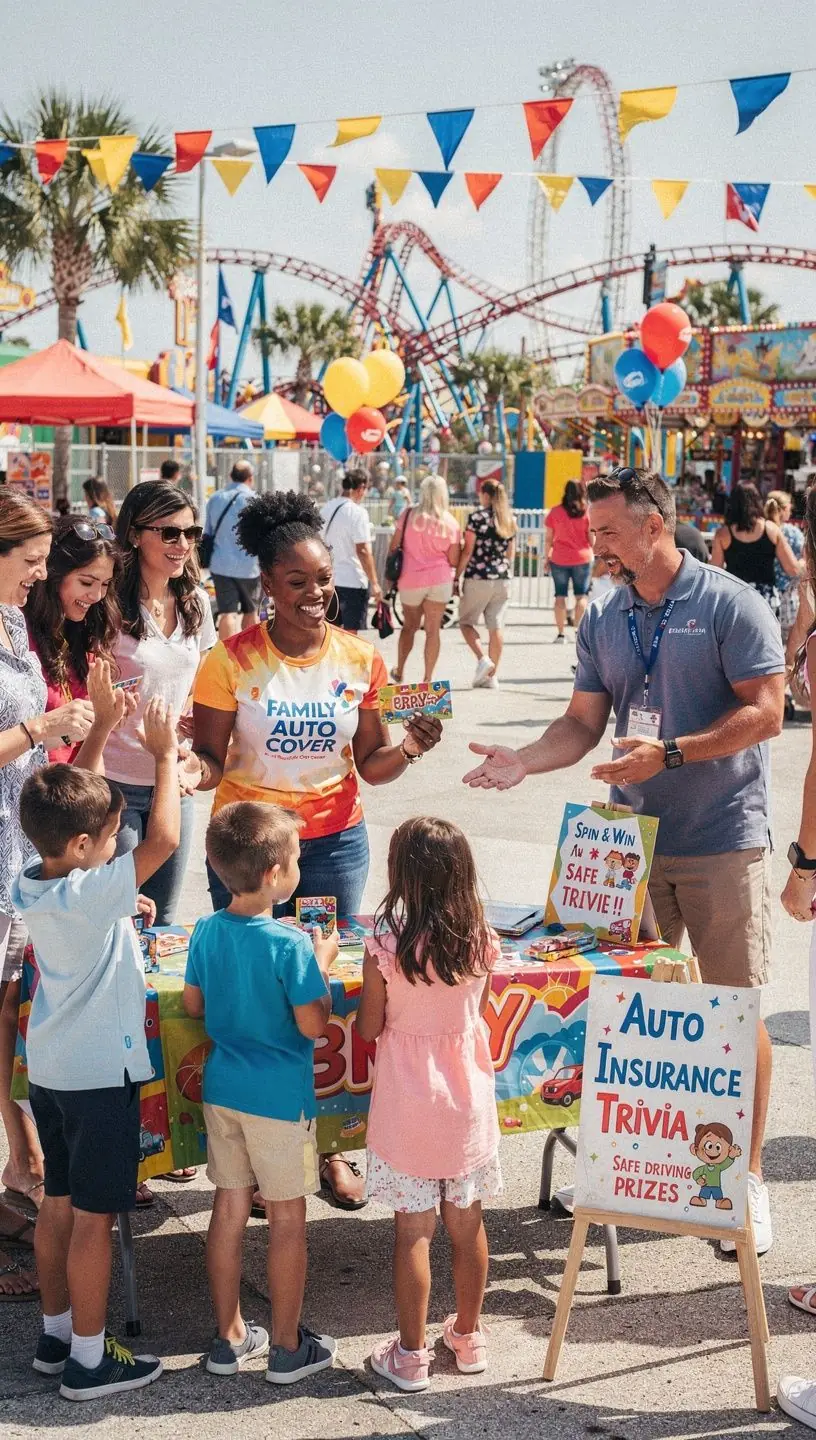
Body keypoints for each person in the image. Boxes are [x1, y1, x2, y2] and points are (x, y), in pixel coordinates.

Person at [463, 466, 786, 1256]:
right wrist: (525, 761)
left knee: (731, 1013)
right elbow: (581, 722)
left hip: (720, 839)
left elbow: (768, 713)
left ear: (655, 525)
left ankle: (741, 1177)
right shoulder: (605, 616)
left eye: (607, 530)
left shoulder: (728, 603)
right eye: (593, 532)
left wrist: (670, 754)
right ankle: (628, 1166)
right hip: (628, 848)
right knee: (626, 1014)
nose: (592, 544)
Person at [192, 491, 442, 1209]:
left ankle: (328, 1150)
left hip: (332, 848)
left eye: (323, 580)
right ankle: (250, 1152)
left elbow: (372, 764)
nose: (315, 594)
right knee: (252, 990)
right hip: (245, 848)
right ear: (266, 583)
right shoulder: (229, 660)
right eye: (297, 582)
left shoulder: (363, 658)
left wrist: (412, 746)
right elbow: (209, 757)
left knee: (319, 994)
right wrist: (185, 768)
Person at [13, 697, 179, 1399]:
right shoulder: (91, 888)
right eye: (111, 836)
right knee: (94, 1218)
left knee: (57, 1203)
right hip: (97, 1076)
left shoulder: (38, 876)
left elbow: (74, 811)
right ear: (83, 848)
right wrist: (166, 755)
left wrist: (102, 737)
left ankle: (56, 1337)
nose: (120, 843)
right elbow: (165, 840)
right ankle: (89, 1358)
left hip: (51, 1069)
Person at [183, 802, 338, 1384]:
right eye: (296, 857)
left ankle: (229, 1337)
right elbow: (313, 1025)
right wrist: (319, 965)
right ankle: (288, 1346)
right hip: (278, 1099)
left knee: (227, 1205)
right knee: (287, 1219)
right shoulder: (291, 946)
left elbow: (194, 1005)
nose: (301, 865)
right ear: (274, 874)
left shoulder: (205, 929)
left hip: (223, 1089)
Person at [356, 817, 501, 1392]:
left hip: (406, 1108)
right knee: (467, 1227)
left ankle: (411, 1355)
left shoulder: (383, 947)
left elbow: (369, 1026)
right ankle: (467, 1336)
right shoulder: (480, 940)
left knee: (413, 1233)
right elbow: (475, 1014)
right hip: (466, 1106)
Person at [0, 493, 97, 1301]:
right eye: (30, 558)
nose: (42, 573)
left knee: (9, 1011)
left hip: (16, 854)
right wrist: (43, 729)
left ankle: (19, 1157)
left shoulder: (10, 624)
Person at [105, 480, 216, 927]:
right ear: (134, 534)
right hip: (115, 781)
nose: (183, 544)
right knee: (121, 915)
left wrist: (186, 720)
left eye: (191, 534)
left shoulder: (195, 603)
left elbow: (199, 680)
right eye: (169, 533)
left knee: (165, 919)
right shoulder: (108, 604)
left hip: (172, 779)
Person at [25, 518, 122, 766]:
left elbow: (84, 748)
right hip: (28, 794)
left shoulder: (82, 635)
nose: (97, 595)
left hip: (73, 792)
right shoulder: (18, 636)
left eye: (105, 585)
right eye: (87, 582)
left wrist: (104, 718)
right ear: (53, 574)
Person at [390, 476, 461, 683]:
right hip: (440, 580)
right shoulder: (450, 522)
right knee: (433, 630)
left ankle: (400, 670)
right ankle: (427, 678)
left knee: (409, 627)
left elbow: (394, 546)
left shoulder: (408, 514)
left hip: (411, 580)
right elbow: (454, 559)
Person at [455, 479, 516, 689]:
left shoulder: (476, 518)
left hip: (478, 577)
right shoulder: (508, 519)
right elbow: (511, 553)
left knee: (465, 622)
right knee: (496, 627)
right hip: (502, 578)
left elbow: (468, 550)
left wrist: (457, 575)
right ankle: (492, 675)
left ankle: (483, 659)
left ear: (486, 495)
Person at [710, 481, 801, 610]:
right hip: (765, 600)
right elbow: (792, 569)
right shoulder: (771, 529)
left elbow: (715, 572)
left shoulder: (723, 534)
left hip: (734, 597)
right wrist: (804, 561)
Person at [203, 461, 263, 642]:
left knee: (227, 613)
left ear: (231, 476)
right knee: (251, 612)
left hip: (221, 564)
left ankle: (227, 656)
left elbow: (208, 532)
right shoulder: (255, 500)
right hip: (249, 566)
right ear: (250, 479)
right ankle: (249, 653)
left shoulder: (215, 498)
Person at [320, 471, 382, 634]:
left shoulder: (327, 508)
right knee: (351, 634)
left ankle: (332, 660)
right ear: (361, 488)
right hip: (353, 580)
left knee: (330, 631)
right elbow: (362, 550)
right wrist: (374, 582)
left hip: (329, 580)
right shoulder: (358, 512)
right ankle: (347, 661)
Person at [544, 480, 593, 643]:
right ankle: (578, 632)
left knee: (560, 596)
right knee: (581, 596)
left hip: (559, 558)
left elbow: (548, 540)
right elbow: (591, 539)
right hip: (583, 558)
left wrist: (546, 558)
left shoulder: (555, 512)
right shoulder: (586, 512)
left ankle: (560, 634)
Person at [765, 489, 805, 645]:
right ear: (782, 510)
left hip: (764, 596)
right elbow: (798, 565)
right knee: (788, 647)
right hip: (787, 598)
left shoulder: (760, 530)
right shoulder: (792, 533)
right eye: (789, 507)